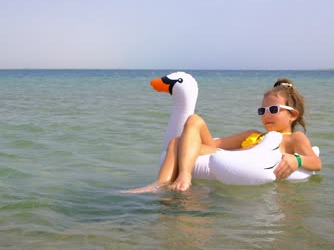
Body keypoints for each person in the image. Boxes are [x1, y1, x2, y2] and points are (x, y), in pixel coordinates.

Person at [124, 78, 322, 193]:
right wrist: (191, 138)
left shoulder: (293, 139)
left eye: (272, 109)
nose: (266, 115)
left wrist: (296, 160)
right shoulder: (253, 134)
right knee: (185, 131)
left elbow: (315, 162)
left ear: (292, 115)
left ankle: (182, 179)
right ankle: (161, 183)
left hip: (237, 163)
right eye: (262, 111)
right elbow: (216, 144)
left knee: (180, 140)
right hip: (226, 154)